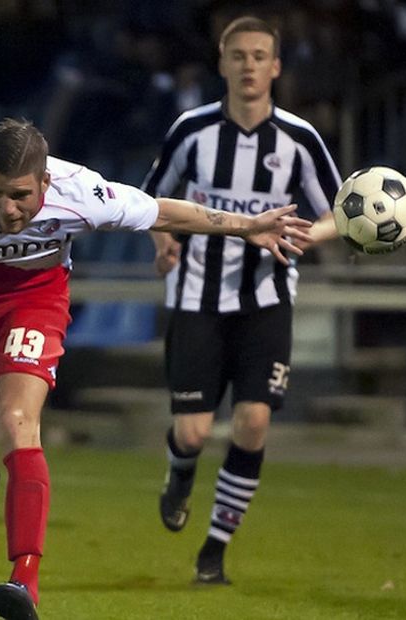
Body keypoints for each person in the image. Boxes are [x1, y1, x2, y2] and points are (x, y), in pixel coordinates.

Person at [0, 118, 314, 619]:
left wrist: (248, 225)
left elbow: (161, 211)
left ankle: (24, 581)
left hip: (34, 300)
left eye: (21, 196)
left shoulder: (83, 192)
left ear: (45, 183)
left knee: (17, 420)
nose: (9, 208)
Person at [141, 16, 342, 585]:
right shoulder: (192, 130)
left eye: (260, 56)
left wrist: (307, 236)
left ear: (275, 67)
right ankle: (180, 472)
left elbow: (338, 212)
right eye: (239, 55)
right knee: (195, 432)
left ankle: (214, 551)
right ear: (223, 63)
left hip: (267, 298)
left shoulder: (300, 139)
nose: (250, 65)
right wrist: (164, 245)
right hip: (197, 297)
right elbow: (154, 196)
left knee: (253, 422)